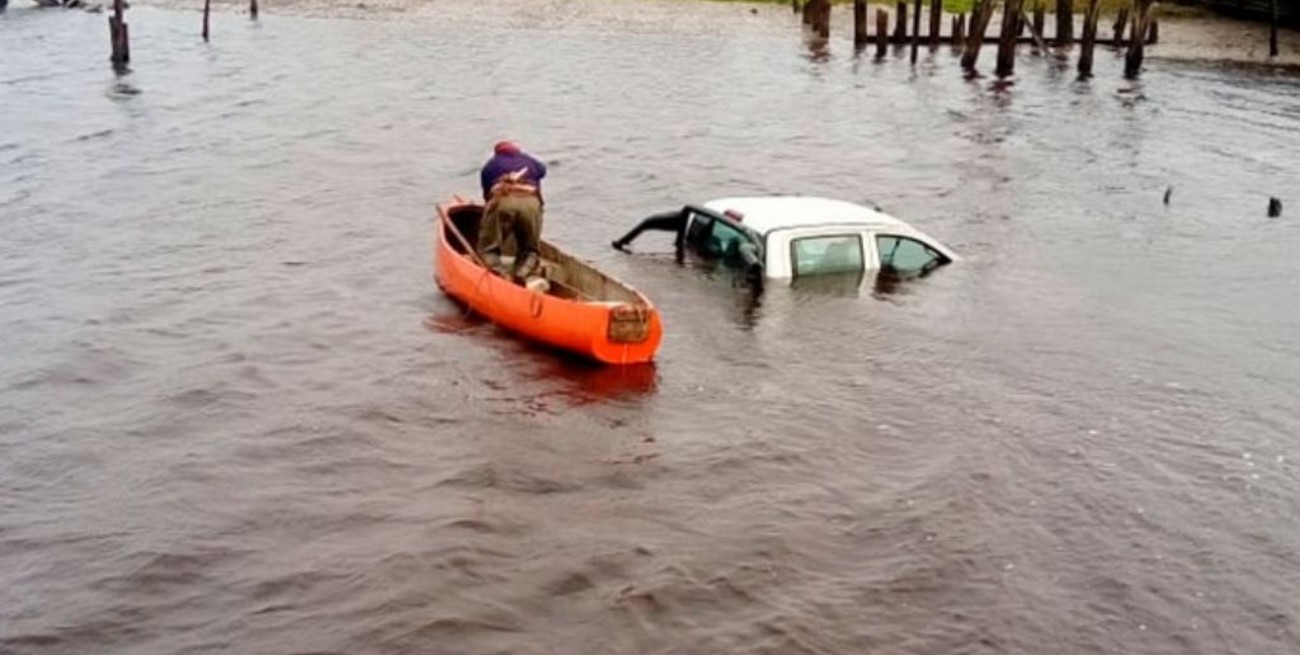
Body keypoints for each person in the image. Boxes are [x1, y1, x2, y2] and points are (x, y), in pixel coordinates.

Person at [477, 141, 548, 282]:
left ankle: (499, 273)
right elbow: (543, 171)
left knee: (489, 248)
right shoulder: (529, 161)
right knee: (529, 249)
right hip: (531, 204)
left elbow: (486, 193)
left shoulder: (490, 165)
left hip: (504, 202)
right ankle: (522, 273)